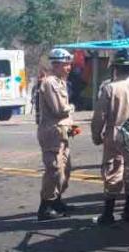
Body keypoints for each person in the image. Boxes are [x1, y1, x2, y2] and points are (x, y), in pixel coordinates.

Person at [91, 50, 129, 224]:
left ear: (115, 67)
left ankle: (108, 214)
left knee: (113, 172)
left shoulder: (110, 88)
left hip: (115, 135)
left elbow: (99, 116)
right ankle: (128, 211)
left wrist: (96, 135)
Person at [36, 48, 75, 221]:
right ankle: (45, 206)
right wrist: (72, 107)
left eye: (69, 64)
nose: (69, 67)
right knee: (54, 170)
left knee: (65, 170)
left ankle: (57, 201)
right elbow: (59, 109)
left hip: (62, 133)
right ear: (57, 64)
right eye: (66, 64)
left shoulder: (60, 82)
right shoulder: (50, 83)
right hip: (52, 133)